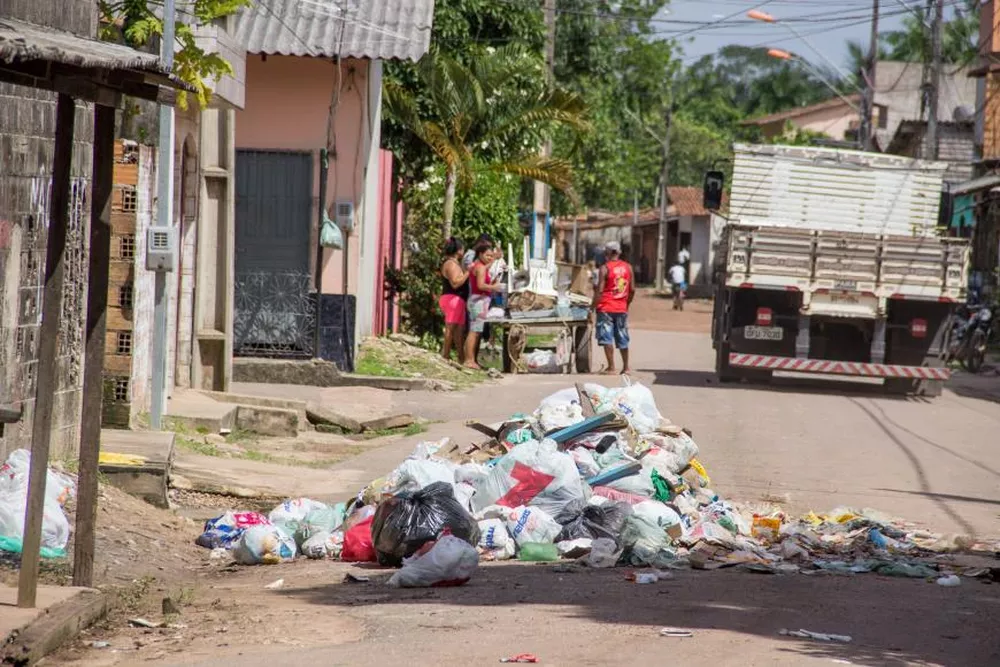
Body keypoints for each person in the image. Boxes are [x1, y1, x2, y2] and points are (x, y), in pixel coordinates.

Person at [591, 241, 634, 375]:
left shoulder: (605, 268)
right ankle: (626, 367)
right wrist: (626, 304)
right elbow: (632, 289)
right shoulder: (628, 267)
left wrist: (592, 306)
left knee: (606, 337)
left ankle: (611, 367)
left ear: (607, 253)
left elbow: (600, 290)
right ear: (619, 252)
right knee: (622, 336)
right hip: (621, 308)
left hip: (606, 307)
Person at [464, 240, 505, 369]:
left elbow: (486, 268)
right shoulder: (480, 268)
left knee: (475, 331)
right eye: (487, 255)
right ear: (480, 254)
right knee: (474, 332)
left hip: (477, 301)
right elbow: (481, 285)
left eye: (491, 256)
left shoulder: (477, 265)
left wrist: (494, 259)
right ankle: (469, 360)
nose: (490, 258)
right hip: (478, 302)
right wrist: (495, 287)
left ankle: (470, 359)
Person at [439, 237, 469, 363]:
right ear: (458, 250)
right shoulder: (451, 264)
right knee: (450, 328)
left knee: (459, 330)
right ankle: (445, 355)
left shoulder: (454, 263)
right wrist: (468, 272)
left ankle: (461, 357)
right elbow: (455, 283)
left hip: (457, 300)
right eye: (462, 249)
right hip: (452, 299)